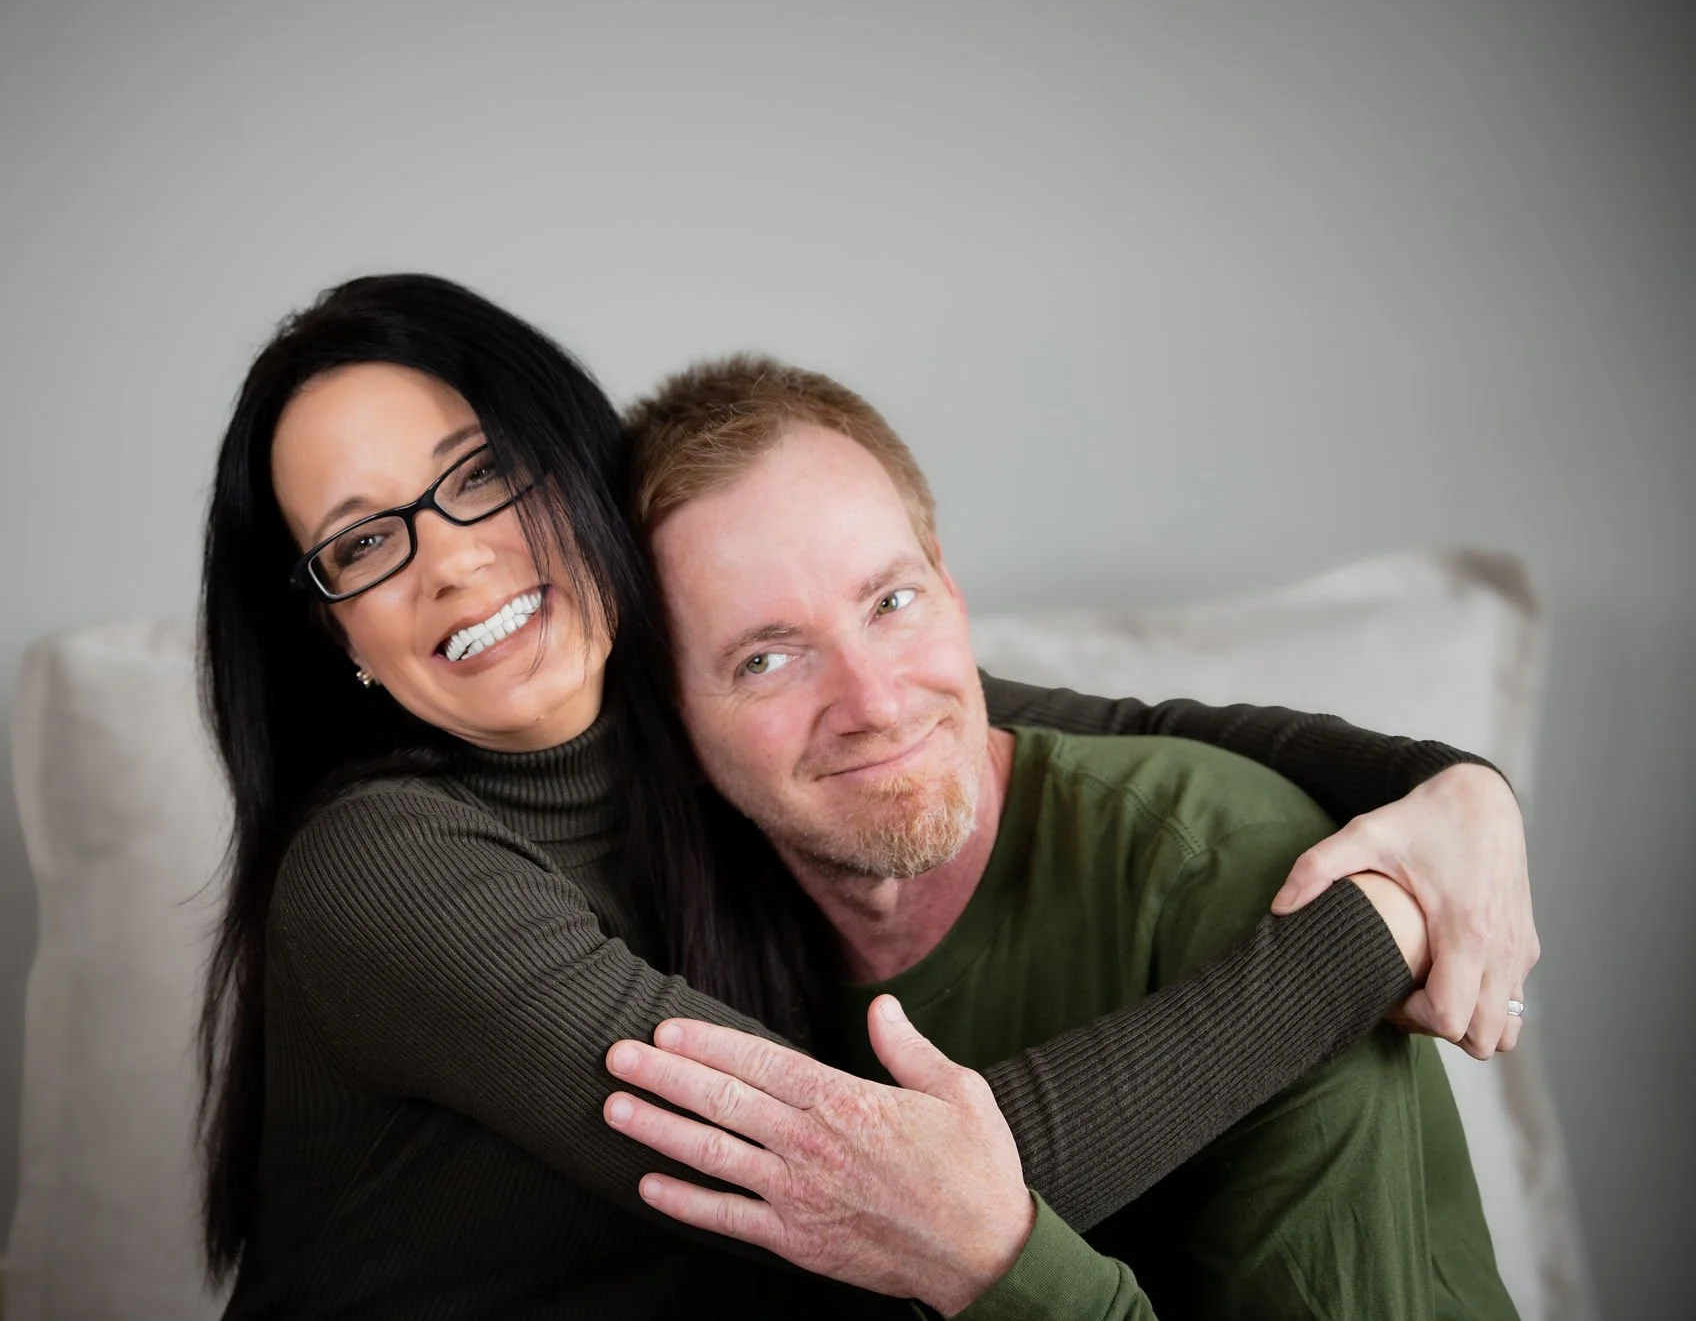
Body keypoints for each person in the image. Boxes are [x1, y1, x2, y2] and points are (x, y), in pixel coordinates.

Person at [196, 274, 1534, 1318]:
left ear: (569, 466)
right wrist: (1375, 934)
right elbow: (875, 1195)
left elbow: (1110, 722)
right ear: (334, 637)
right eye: (364, 541)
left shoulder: (713, 706)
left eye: (480, 471)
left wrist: (1458, 796)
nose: (453, 560)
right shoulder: (387, 872)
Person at [602, 355, 1519, 1316]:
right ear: (670, 716)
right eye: (768, 658)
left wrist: (994, 1267)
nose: (873, 702)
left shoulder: (1239, 878)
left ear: (952, 591)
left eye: (891, 602)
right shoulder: (668, 937)